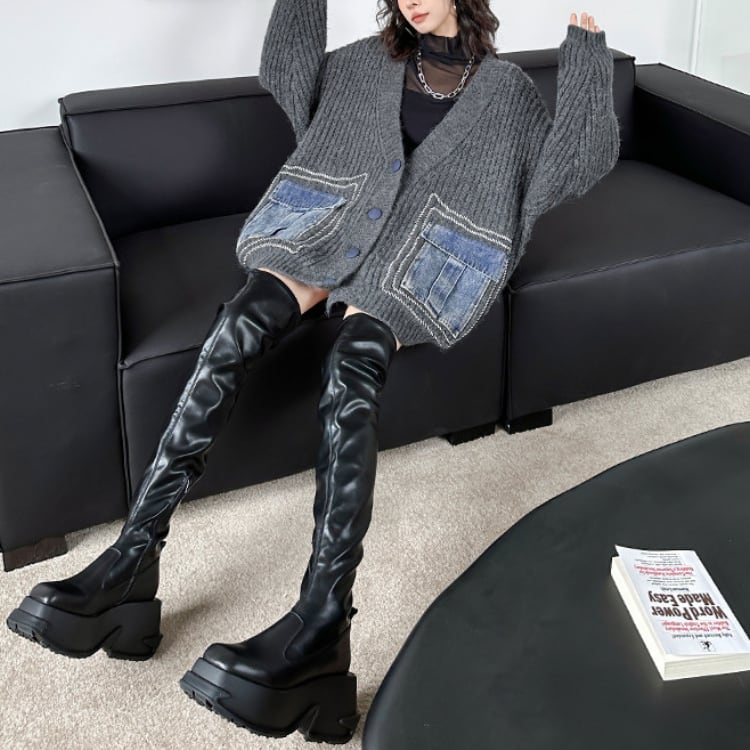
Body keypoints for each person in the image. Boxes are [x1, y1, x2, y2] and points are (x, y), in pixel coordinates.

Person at [7, 0, 620, 743]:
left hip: (427, 254)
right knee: (236, 327)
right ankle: (133, 559)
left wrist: (586, 65)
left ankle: (322, 624)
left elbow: (572, 167)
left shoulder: (509, 92)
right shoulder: (360, 63)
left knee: (351, 369)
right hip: (328, 229)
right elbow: (285, 70)